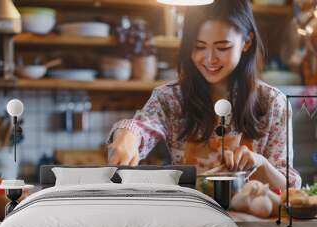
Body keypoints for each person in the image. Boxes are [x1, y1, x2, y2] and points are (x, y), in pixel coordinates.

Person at [107, 0, 301, 190]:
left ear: (247, 42)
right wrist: (128, 133)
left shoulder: (273, 102)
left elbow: (290, 189)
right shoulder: (170, 98)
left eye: (222, 47)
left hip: (253, 220)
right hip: (190, 216)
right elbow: (142, 128)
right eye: (199, 46)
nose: (209, 59)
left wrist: (260, 164)